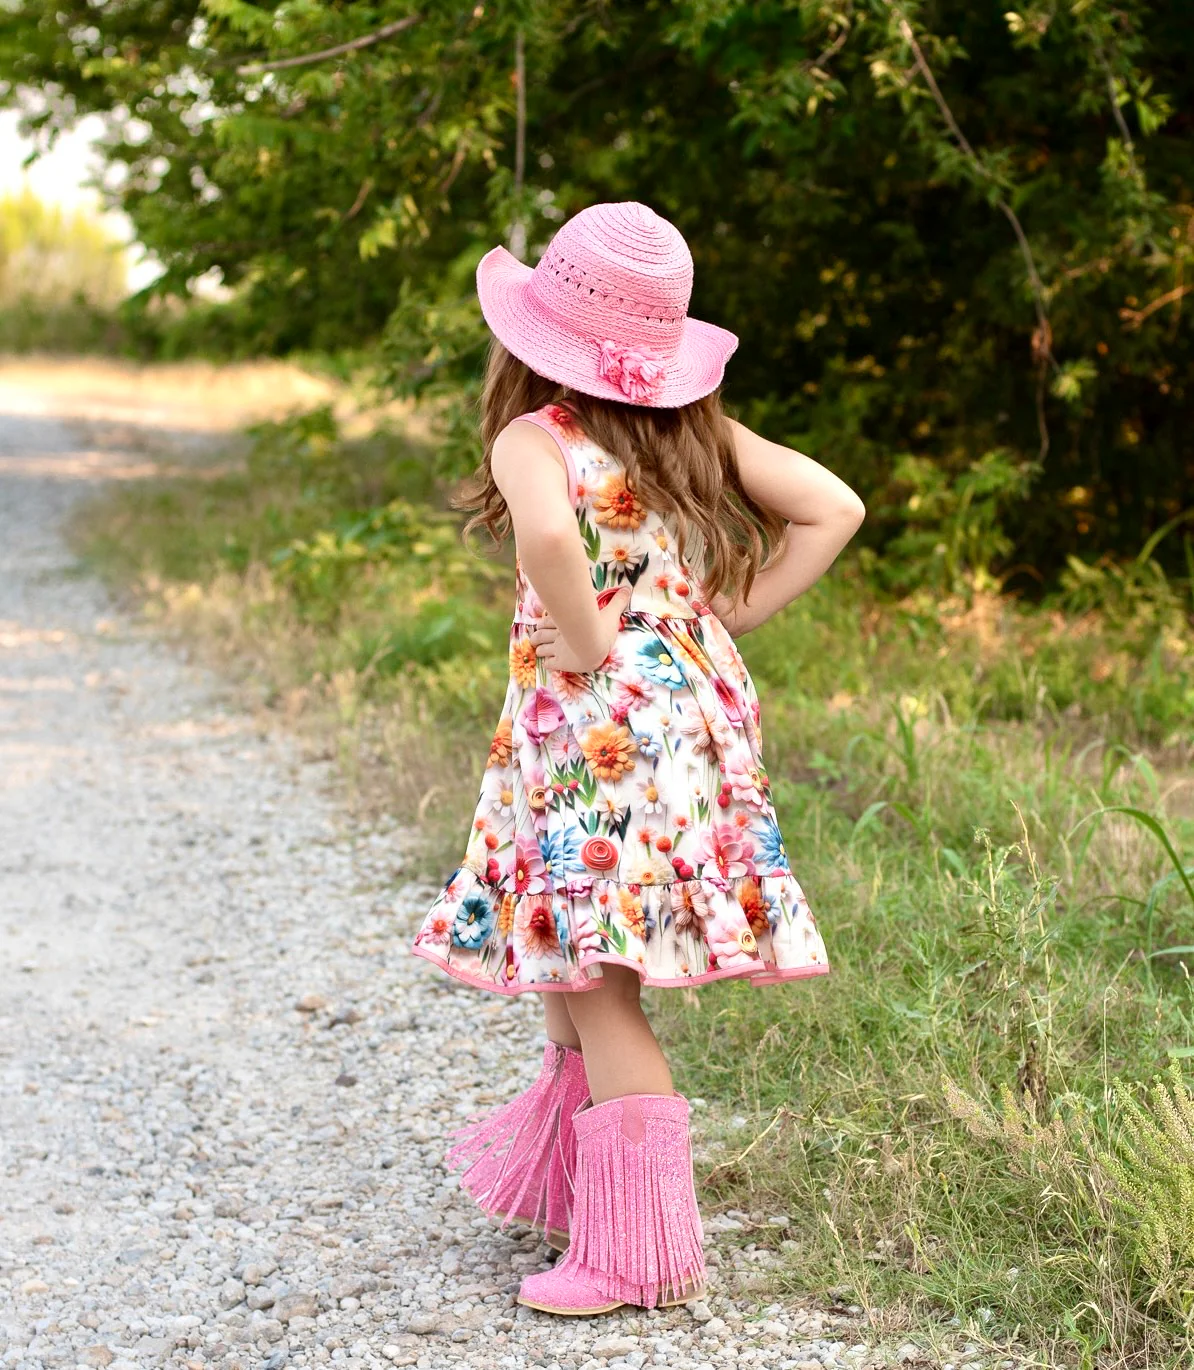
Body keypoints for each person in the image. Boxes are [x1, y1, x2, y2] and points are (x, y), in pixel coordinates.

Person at [410, 201, 865, 1317]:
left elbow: (553, 540)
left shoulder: (536, 440)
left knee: (603, 989)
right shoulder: (690, 431)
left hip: (601, 744)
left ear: (531, 341)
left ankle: (641, 1253)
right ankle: (581, 1186)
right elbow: (834, 506)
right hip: (686, 733)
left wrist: (590, 631)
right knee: (577, 964)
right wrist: (725, 615)